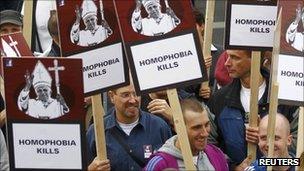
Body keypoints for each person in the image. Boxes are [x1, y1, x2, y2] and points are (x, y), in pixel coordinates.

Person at [207, 49, 299, 169]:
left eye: (235, 58)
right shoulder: (219, 98)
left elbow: (299, 144)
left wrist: (268, 142)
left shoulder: (285, 97)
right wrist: (232, 167)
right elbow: (208, 144)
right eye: (228, 57)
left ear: (254, 59)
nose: (227, 63)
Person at [86, 83, 172, 171]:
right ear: (112, 96)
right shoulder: (96, 132)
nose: (133, 100)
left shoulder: (159, 127)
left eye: (136, 94)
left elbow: (173, 165)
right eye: (126, 95)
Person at [143, 98, 228, 171]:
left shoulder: (216, 154)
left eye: (207, 125)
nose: (205, 133)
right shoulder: (160, 164)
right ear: (177, 128)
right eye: (197, 127)